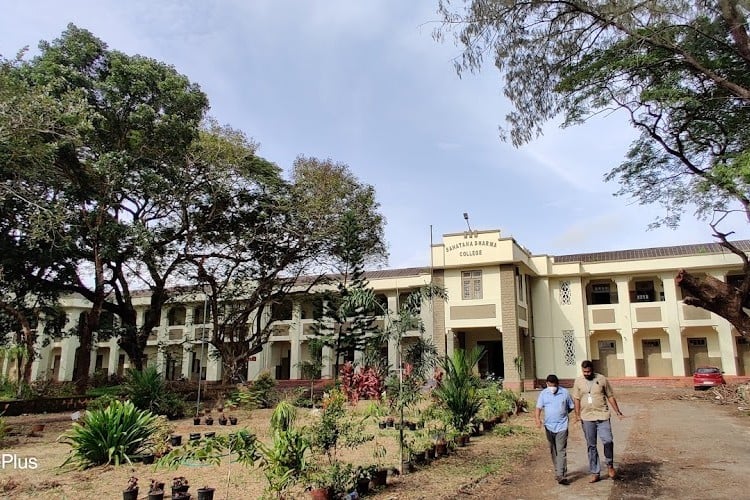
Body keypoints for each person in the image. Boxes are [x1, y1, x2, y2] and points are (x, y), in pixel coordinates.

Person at [572, 360, 624, 483]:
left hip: (602, 415)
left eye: (588, 371)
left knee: (608, 440)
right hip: (587, 417)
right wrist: (577, 415)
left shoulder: (601, 379)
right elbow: (576, 399)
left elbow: (610, 396)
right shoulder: (578, 381)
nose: (586, 373)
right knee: (591, 445)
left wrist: (617, 411)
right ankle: (595, 472)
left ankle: (610, 465)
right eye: (584, 371)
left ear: (592, 370)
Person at [535, 374, 575, 485]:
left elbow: (571, 407)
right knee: (553, 450)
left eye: (554, 385)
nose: (552, 387)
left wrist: (563, 414)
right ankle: (559, 470)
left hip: (562, 426)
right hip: (549, 427)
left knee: (561, 450)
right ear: (547, 384)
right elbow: (538, 408)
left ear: (557, 384)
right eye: (550, 385)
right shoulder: (543, 394)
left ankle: (560, 475)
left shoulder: (565, 393)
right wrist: (537, 420)